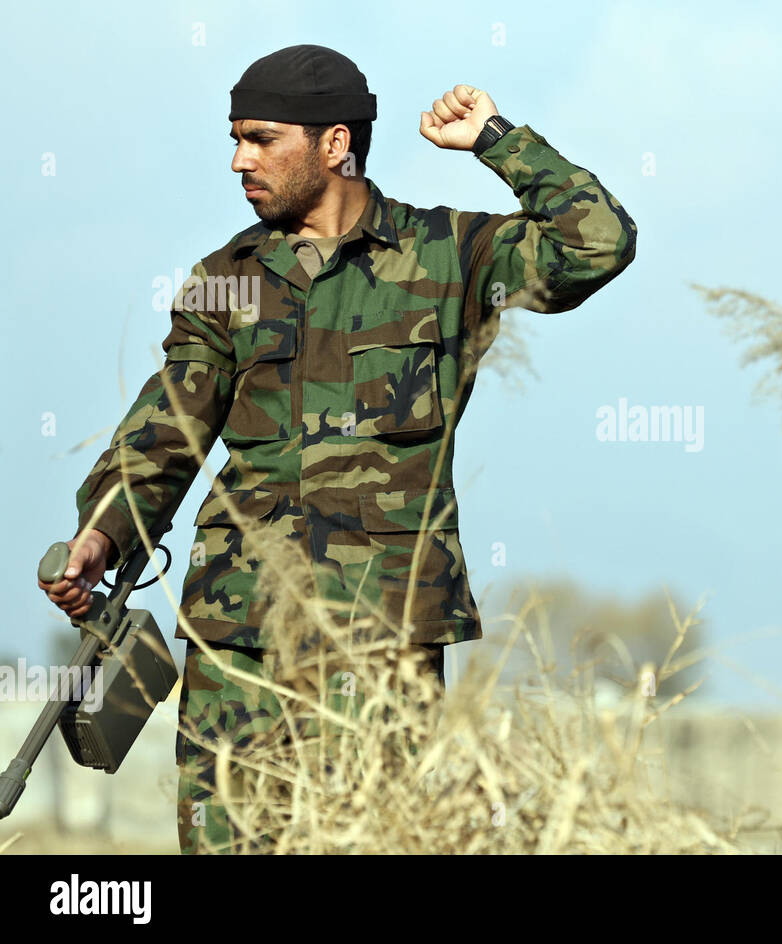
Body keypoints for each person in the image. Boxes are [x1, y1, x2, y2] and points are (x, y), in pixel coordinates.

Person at [35, 44, 637, 853]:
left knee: (373, 842)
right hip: (236, 634)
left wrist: (495, 136)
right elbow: (171, 422)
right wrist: (102, 532)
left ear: (334, 144)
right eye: (235, 137)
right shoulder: (227, 278)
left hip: (380, 636)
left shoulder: (447, 257)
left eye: (260, 137)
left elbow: (597, 242)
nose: (238, 159)